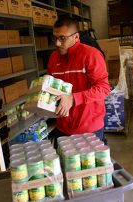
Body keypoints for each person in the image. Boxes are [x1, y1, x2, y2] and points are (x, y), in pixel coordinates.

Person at [47, 17, 110, 148]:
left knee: (90, 168)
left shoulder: (91, 55)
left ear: (76, 37)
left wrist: (73, 98)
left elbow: (103, 88)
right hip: (63, 127)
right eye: (54, 38)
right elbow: (50, 86)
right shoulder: (53, 58)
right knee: (66, 166)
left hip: (89, 128)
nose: (57, 43)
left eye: (62, 38)